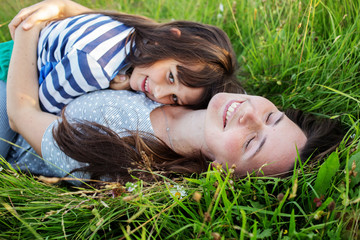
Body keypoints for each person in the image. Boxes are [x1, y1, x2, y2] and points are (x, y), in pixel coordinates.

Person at [1, 21, 345, 185]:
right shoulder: (198, 89)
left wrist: (30, 30)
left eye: (253, 142)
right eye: (272, 116)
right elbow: (138, 35)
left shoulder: (125, 154)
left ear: (221, 171)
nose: (249, 114)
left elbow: (20, 115)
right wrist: (60, 9)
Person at [2, 0, 244, 114]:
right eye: (171, 77)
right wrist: (112, 87)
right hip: (8, 76)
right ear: (171, 38)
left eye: (174, 98)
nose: (158, 94)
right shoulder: (95, 67)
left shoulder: (133, 34)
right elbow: (35, 110)